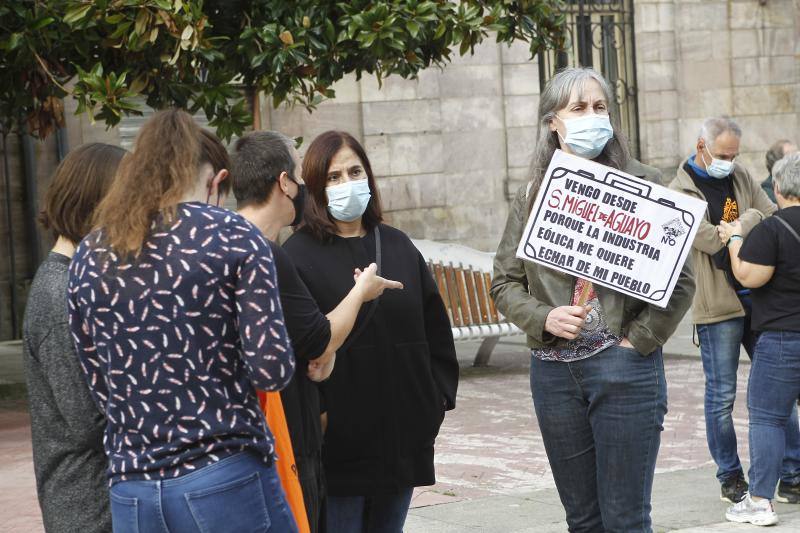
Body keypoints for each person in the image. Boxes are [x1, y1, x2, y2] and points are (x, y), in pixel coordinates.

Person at [67, 109, 299, 532]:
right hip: (223, 475)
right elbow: (272, 369)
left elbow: (96, 384)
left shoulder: (90, 254)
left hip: (132, 488)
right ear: (215, 181)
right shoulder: (234, 235)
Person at [491, 66, 694, 532]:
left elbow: (680, 281)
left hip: (624, 369)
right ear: (552, 123)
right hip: (554, 374)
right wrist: (543, 317)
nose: (592, 117)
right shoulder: (532, 193)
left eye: (600, 107)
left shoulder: (647, 184)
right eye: (578, 108)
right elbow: (504, 282)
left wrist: (638, 340)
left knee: (625, 519)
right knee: (582, 520)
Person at [283, 130, 459, 533]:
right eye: (333, 177)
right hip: (339, 447)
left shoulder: (397, 245)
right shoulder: (297, 255)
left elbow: (435, 332)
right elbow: (297, 350)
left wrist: (434, 402)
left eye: (355, 171)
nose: (347, 183)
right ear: (315, 187)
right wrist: (320, 417)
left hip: (403, 439)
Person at [231, 130, 403, 532]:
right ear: (284, 183)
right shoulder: (268, 251)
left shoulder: (222, 242)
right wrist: (361, 291)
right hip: (280, 435)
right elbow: (318, 338)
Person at [669, 117, 800, 504]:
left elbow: (767, 210)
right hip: (718, 304)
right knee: (721, 396)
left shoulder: (740, 174)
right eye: (723, 154)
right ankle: (730, 476)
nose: (730, 161)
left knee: (779, 391)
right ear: (701, 147)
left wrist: (739, 226)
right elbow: (707, 239)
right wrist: (743, 228)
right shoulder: (679, 190)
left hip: (760, 299)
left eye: (735, 154)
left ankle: (792, 473)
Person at [22, 143, 125, 533]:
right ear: (95, 203)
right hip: (88, 508)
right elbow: (86, 420)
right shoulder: (58, 291)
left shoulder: (78, 280)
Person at [720, 152, 800, 526]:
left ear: (778, 187)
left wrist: (735, 239)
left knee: (768, 418)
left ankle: (761, 501)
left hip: (783, 338)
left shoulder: (773, 228)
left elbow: (749, 276)